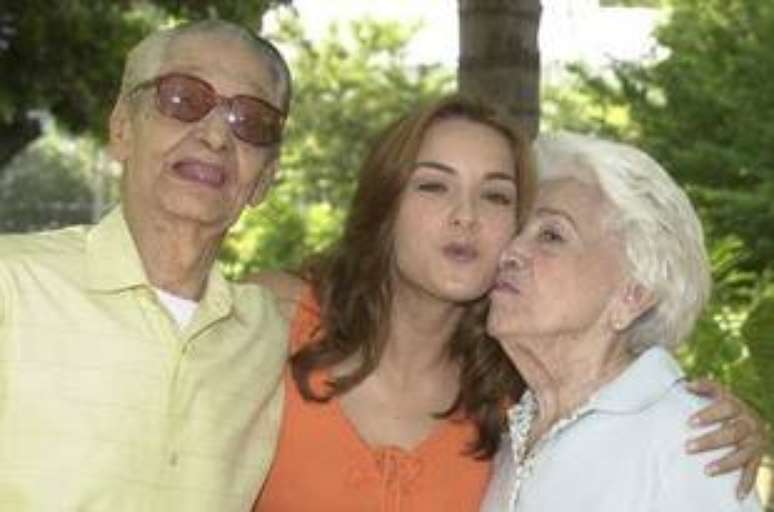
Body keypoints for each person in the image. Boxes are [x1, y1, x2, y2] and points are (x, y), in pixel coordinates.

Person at [251, 96, 766, 511]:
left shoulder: (517, 401)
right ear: (385, 205)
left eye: (497, 197)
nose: (467, 217)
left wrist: (717, 427)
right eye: (434, 186)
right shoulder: (271, 318)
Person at [0, 20, 291, 511]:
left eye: (252, 121)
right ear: (122, 129)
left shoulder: (272, 337)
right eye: (183, 98)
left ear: (265, 179)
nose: (216, 136)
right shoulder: (13, 286)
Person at [481, 132, 764, 511]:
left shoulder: (690, 442)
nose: (510, 252)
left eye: (551, 235)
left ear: (633, 295)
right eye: (519, 231)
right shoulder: (514, 434)